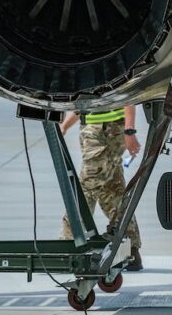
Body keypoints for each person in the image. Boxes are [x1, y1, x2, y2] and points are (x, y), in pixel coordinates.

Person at [59, 106, 143, 270]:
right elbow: (84, 101)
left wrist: (129, 130)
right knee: (113, 191)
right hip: (100, 129)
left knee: (86, 189)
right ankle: (130, 249)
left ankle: (68, 245)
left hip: (104, 131)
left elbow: (127, 95)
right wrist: (65, 126)